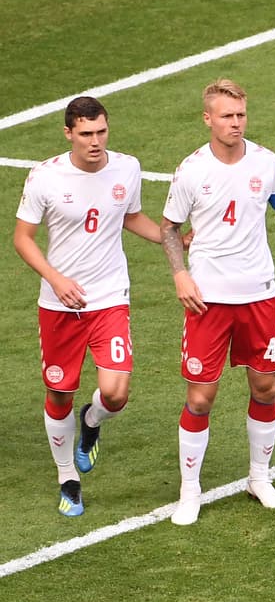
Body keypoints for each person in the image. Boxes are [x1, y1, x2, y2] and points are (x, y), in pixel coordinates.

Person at [160, 79, 275, 527]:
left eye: (241, 115)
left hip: (258, 295)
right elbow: (170, 228)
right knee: (200, 397)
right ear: (208, 118)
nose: (235, 123)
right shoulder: (191, 170)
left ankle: (259, 477)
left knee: (266, 387)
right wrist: (180, 274)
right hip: (207, 301)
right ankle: (189, 492)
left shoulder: (266, 162)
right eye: (226, 116)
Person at [14, 96, 166, 516]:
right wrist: (56, 279)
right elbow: (22, 238)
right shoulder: (44, 177)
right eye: (86, 134)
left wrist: (171, 239)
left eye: (101, 131)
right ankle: (68, 478)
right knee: (58, 392)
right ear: (69, 134)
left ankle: (93, 422)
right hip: (59, 305)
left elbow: (130, 216)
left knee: (116, 393)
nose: (95, 141)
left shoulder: (127, 167)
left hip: (109, 298)